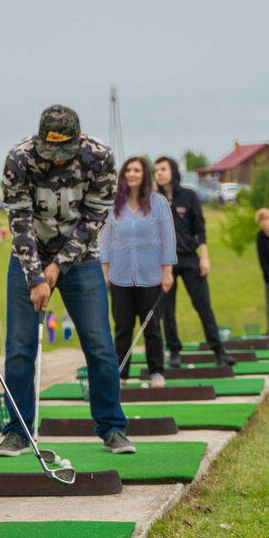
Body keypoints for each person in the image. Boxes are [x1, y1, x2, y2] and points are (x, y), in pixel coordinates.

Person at [0, 106, 133, 456]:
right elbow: (19, 223)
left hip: (81, 259)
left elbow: (93, 221)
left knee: (100, 346)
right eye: (49, 152)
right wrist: (36, 276)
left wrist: (57, 268)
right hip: (28, 258)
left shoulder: (99, 157)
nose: (56, 160)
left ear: (78, 139)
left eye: (63, 153)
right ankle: (18, 430)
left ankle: (112, 428)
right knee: (19, 348)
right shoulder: (19, 159)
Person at [99, 157, 175, 387]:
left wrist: (167, 271)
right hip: (120, 276)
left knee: (151, 326)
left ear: (144, 175)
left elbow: (168, 238)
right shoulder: (114, 205)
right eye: (128, 170)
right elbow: (105, 240)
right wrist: (104, 270)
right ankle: (120, 374)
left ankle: (156, 372)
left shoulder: (158, 202)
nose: (132, 174)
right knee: (122, 326)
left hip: (150, 275)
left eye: (137, 170)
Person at [153, 156, 230, 367]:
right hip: (164, 264)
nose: (159, 173)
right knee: (167, 310)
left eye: (163, 169)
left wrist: (204, 258)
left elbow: (200, 229)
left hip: (189, 259)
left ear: (173, 171)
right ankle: (174, 352)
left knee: (203, 305)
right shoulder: (152, 200)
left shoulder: (189, 196)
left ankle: (218, 351)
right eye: (156, 170)